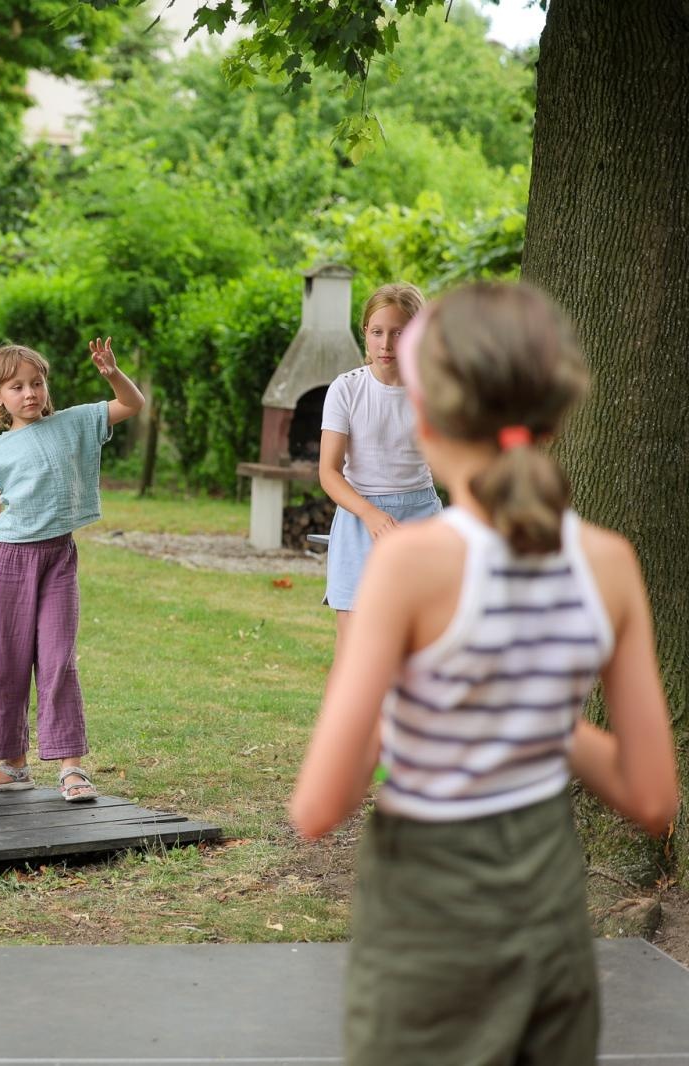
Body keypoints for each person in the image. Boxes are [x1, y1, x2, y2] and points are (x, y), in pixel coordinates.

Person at [290, 282, 677, 1064]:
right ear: (557, 414)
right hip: (552, 922)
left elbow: (321, 805)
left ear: (425, 417)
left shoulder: (408, 565)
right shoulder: (610, 563)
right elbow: (653, 798)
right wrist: (531, 715)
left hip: (427, 924)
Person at [0, 338, 144, 803]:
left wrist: (112, 372)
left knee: (57, 661)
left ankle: (71, 768)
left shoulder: (74, 423)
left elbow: (133, 404)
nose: (30, 393)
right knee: (0, 664)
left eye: (37, 383)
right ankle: (12, 766)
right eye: (17, 386)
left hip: (58, 558)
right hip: (10, 561)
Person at [319, 283, 439, 662]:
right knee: (355, 647)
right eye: (377, 332)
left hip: (420, 518)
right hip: (359, 518)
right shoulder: (346, 389)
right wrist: (370, 514)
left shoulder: (432, 392)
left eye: (400, 332)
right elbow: (329, 472)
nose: (386, 343)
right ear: (365, 334)